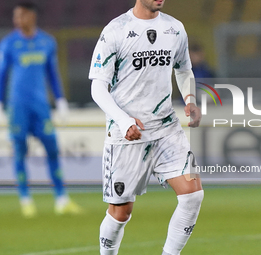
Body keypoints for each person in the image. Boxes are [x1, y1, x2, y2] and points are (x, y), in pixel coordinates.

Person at [89, 0, 203, 254]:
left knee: (192, 195)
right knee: (120, 212)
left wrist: (190, 100)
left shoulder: (175, 28)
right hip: (127, 134)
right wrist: (123, 120)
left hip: (166, 128)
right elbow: (97, 87)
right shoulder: (116, 29)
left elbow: (184, 70)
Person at [0, 2, 81, 218]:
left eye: (22, 15)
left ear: (32, 16)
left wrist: (61, 100)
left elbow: (52, 74)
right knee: (19, 151)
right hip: (17, 106)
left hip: (41, 106)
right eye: (15, 16)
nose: (18, 20)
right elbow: (2, 75)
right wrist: (1, 102)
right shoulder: (9, 44)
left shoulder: (47, 42)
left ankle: (61, 199)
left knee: (52, 149)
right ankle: (26, 199)